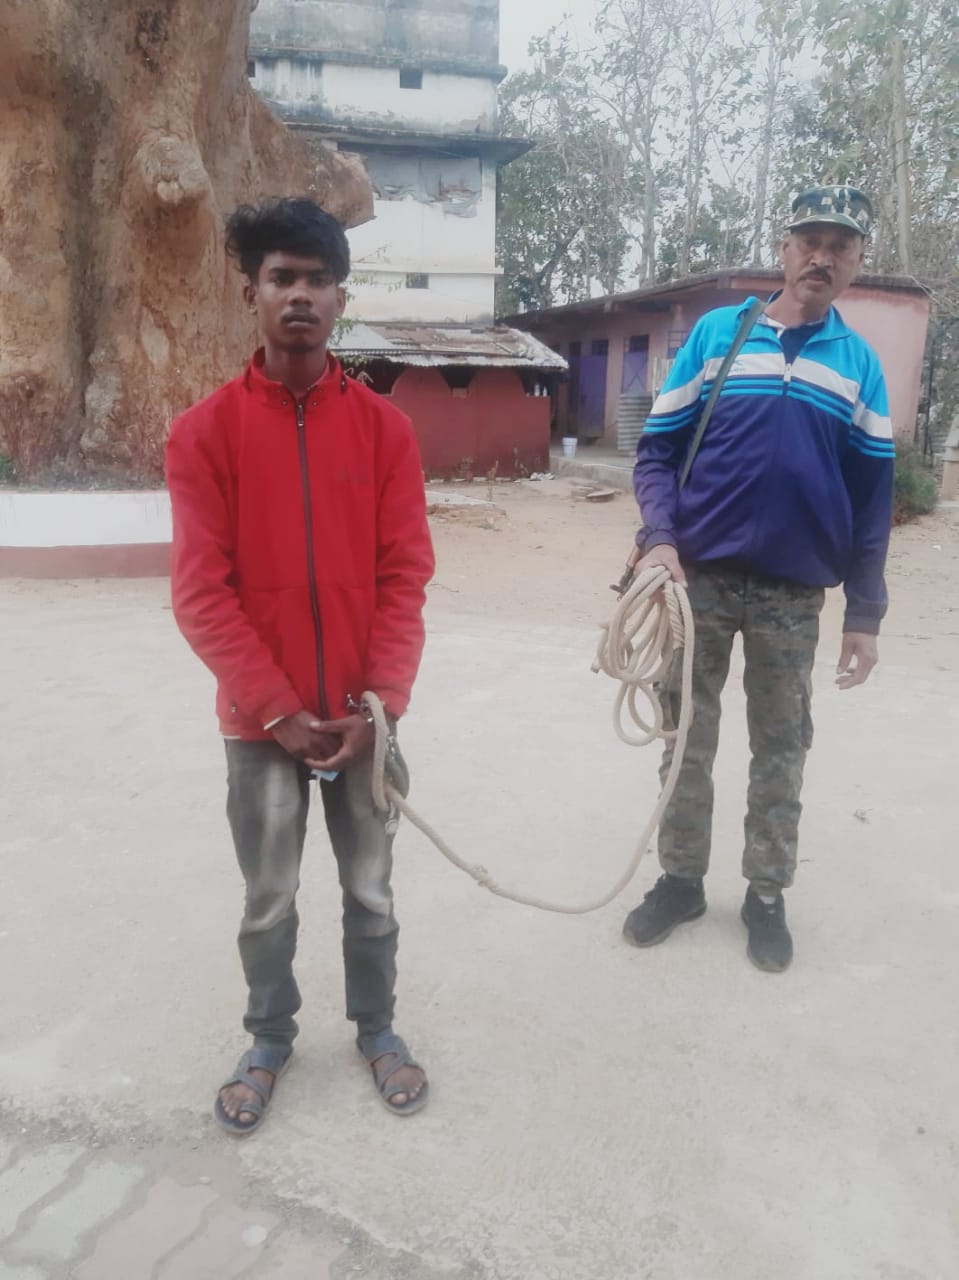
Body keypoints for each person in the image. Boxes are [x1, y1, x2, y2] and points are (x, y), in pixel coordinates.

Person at [166, 198, 435, 1132]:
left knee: (371, 889)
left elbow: (404, 577)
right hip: (261, 726)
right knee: (268, 896)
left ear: (340, 298)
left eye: (319, 280)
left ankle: (378, 1030)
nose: (300, 295)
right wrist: (278, 710)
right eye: (282, 277)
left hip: (364, 720)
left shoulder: (385, 431)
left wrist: (381, 704)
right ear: (250, 291)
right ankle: (269, 1039)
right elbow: (201, 592)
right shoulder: (203, 434)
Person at [622, 185, 893, 972]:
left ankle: (765, 894)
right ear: (782, 248)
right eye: (809, 240)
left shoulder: (857, 365)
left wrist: (864, 612)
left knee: (781, 747)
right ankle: (680, 881)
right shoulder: (718, 335)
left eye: (839, 246)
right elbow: (656, 450)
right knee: (684, 737)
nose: (821, 257)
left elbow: (872, 499)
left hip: (792, 593)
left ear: (856, 263)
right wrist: (658, 540)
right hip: (696, 580)